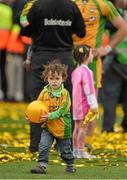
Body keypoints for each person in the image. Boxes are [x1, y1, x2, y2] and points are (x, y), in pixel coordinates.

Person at [20, 0, 85, 153]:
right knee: (66, 101)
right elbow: (81, 32)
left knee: (37, 101)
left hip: (41, 56)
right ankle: (65, 144)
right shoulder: (71, 6)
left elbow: (26, 31)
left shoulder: (38, 5)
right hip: (65, 58)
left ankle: (36, 145)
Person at [73, 0, 127, 136]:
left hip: (92, 61)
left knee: (92, 103)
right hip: (70, 59)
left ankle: (87, 144)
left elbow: (123, 27)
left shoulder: (103, 4)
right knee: (67, 101)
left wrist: (107, 49)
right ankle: (66, 140)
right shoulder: (70, 3)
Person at [29, 60, 75, 174]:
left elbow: (61, 111)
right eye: (51, 78)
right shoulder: (44, 92)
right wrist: (31, 116)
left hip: (62, 128)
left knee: (65, 151)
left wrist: (49, 115)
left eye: (57, 78)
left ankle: (70, 163)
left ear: (63, 78)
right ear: (47, 79)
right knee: (44, 146)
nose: (54, 81)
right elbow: (37, 106)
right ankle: (42, 166)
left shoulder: (65, 94)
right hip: (48, 126)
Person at [102, 1, 127, 132]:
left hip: (116, 58)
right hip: (120, 59)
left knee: (110, 96)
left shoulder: (117, 15)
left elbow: (106, 29)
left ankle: (108, 128)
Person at [72, 45, 98, 158]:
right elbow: (89, 89)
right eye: (91, 54)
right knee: (83, 127)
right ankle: (81, 150)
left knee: (77, 127)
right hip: (84, 104)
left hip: (76, 105)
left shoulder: (76, 71)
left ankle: (75, 150)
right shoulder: (87, 72)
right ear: (86, 56)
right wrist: (93, 104)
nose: (92, 56)